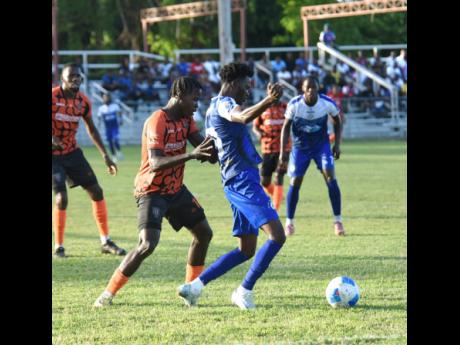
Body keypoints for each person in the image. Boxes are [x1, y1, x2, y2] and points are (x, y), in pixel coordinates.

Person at [93, 77, 217, 307]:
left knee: (204, 234)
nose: (197, 104)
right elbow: (156, 162)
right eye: (194, 99)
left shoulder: (186, 119)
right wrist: (192, 155)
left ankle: (189, 292)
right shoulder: (157, 120)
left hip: (175, 189)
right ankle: (107, 294)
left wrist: (218, 147)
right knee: (147, 245)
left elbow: (204, 148)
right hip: (151, 189)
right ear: (180, 95)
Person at [177, 62, 286, 310]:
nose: (248, 91)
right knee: (277, 236)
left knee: (246, 249)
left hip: (233, 180)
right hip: (242, 181)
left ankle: (195, 287)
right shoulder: (224, 103)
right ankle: (244, 291)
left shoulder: (209, 109)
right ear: (235, 83)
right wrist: (269, 101)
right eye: (246, 86)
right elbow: (243, 116)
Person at [52, 63, 126, 258]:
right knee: (62, 198)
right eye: (71, 76)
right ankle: (59, 246)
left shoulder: (83, 102)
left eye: (78, 76)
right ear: (62, 79)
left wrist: (105, 156)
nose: (76, 79)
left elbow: (91, 129)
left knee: (97, 191)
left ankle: (105, 241)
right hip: (53, 156)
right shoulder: (52, 97)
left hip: (72, 152)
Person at [279, 77, 345, 237]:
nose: (311, 91)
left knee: (330, 177)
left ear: (318, 89)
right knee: (295, 182)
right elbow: (285, 128)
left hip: (321, 146)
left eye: (314, 88)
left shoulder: (326, 103)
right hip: (300, 148)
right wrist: (283, 153)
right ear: (302, 88)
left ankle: (338, 221)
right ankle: (289, 223)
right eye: (308, 88)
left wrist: (336, 144)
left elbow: (337, 120)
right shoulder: (295, 104)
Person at [252, 100, 291, 211]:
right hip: (267, 148)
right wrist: (259, 133)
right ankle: (277, 195)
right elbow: (256, 126)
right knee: (264, 181)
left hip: (284, 148)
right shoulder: (263, 108)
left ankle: (275, 208)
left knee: (279, 175)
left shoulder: (286, 107)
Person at [97, 93, 124, 162]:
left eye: (107, 97)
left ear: (110, 98)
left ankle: (119, 152)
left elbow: (120, 113)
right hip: (107, 128)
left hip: (115, 127)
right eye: (104, 98)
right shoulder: (101, 108)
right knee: (110, 142)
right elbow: (99, 118)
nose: (106, 99)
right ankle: (114, 156)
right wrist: (98, 125)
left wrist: (121, 120)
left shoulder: (115, 106)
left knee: (115, 140)